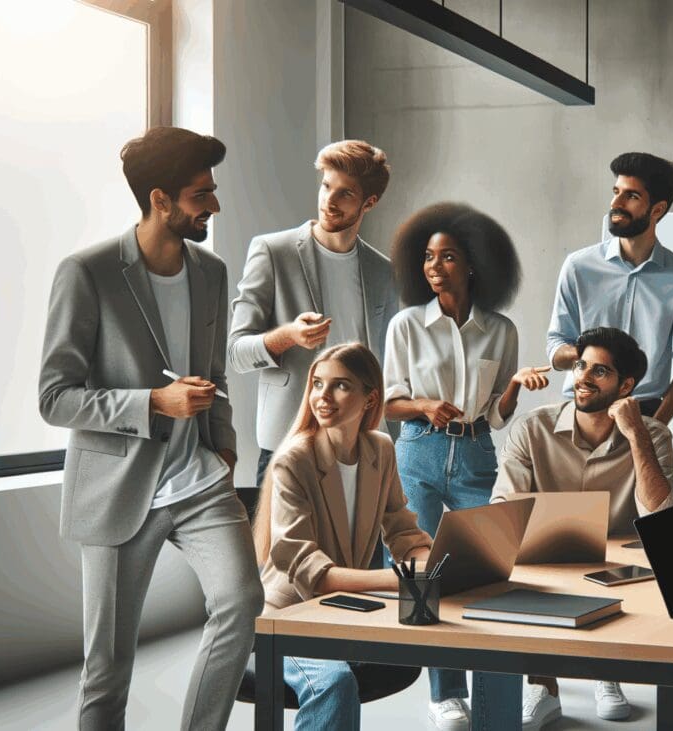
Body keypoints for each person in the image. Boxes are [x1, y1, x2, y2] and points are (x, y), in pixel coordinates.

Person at [38, 127, 262, 730]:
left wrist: (223, 449)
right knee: (107, 670)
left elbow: (214, 375)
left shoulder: (211, 273)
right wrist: (154, 403)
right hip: (116, 488)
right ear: (160, 200)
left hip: (200, 482)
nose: (213, 204)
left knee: (242, 603)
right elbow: (55, 399)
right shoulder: (87, 273)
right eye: (200, 194)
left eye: (211, 191)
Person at [383, 202, 551, 730]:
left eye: (447, 256)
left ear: (472, 264)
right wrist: (425, 406)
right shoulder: (406, 325)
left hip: (477, 452)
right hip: (418, 450)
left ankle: (497, 698)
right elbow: (387, 403)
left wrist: (517, 387)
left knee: (492, 571)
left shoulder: (500, 330)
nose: (434, 266)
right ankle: (447, 696)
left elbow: (499, 417)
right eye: (428, 257)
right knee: (426, 573)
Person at [491, 326, 673, 730]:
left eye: (599, 372)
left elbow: (662, 519)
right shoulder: (531, 428)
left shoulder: (654, 436)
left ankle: (604, 669)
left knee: (665, 573)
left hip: (619, 571)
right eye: (580, 366)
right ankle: (542, 683)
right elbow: (503, 509)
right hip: (544, 558)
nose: (582, 378)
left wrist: (635, 434)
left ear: (626, 385)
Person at [254, 343, 433, 730]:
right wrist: (400, 579)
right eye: (317, 384)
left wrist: (427, 560)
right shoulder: (293, 460)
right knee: (333, 683)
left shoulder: (380, 450)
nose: (323, 396)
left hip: (343, 610)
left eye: (340, 386)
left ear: (370, 399)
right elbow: (310, 571)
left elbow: (402, 529)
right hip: (288, 614)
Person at [228, 140, 401, 488]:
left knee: (364, 546)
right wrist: (287, 336)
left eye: (345, 194)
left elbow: (387, 364)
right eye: (326, 186)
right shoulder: (273, 252)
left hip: (358, 449)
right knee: (279, 545)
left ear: (369, 202)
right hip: (289, 444)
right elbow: (237, 353)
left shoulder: (383, 272)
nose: (329, 201)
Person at [547, 152, 673, 423]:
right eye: (615, 192)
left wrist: (655, 425)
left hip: (643, 412)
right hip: (580, 408)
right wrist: (592, 356)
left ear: (657, 209)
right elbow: (555, 344)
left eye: (631, 196)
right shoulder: (578, 267)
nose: (615, 203)